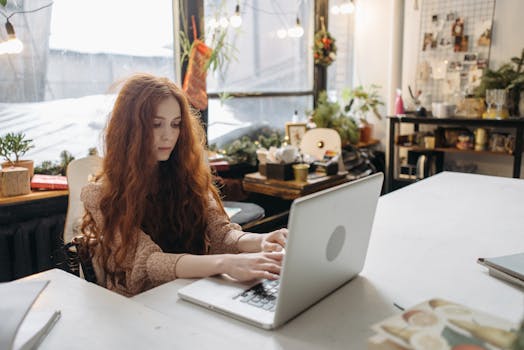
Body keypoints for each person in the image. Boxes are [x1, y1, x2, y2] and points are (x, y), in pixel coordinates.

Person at [81, 73, 287, 297]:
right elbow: (149, 261)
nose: (169, 136)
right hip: (143, 303)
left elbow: (222, 234)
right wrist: (225, 264)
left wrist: (261, 240)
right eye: (156, 124)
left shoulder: (186, 173)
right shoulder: (100, 193)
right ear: (130, 129)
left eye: (176, 124)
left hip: (192, 291)